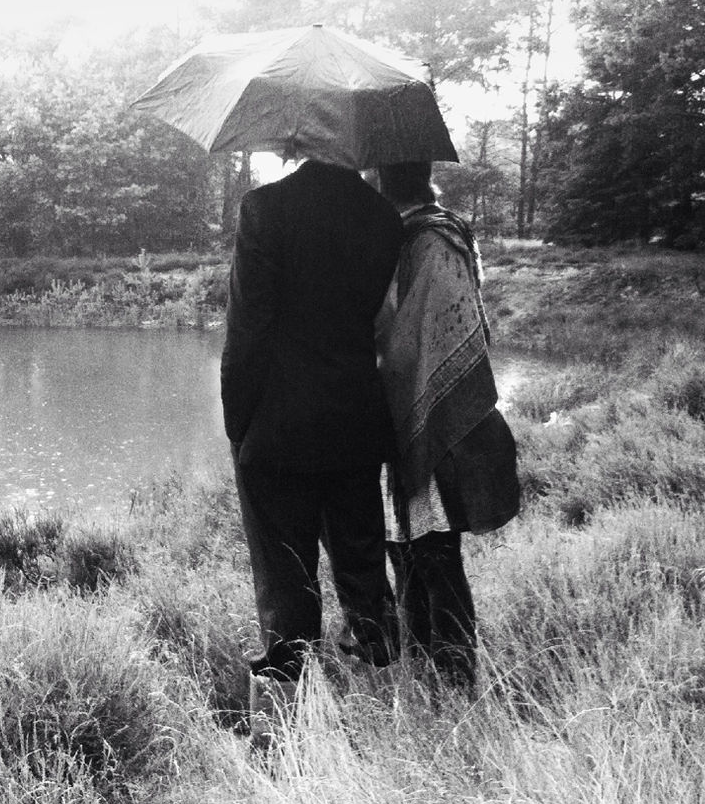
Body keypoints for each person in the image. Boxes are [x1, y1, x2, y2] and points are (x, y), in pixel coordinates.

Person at [221, 157, 404, 743]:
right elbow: (375, 322)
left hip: (277, 427)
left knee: (285, 582)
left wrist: (237, 422)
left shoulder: (265, 208)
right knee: (362, 569)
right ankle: (384, 721)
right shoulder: (382, 217)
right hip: (355, 420)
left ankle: (281, 744)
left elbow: (247, 327)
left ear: (301, 129)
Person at [376, 161, 520, 695]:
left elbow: (422, 334)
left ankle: (456, 682)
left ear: (386, 182)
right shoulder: (429, 233)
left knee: (435, 552)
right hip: (413, 415)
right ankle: (423, 676)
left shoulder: (430, 239)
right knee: (408, 550)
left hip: (434, 418)